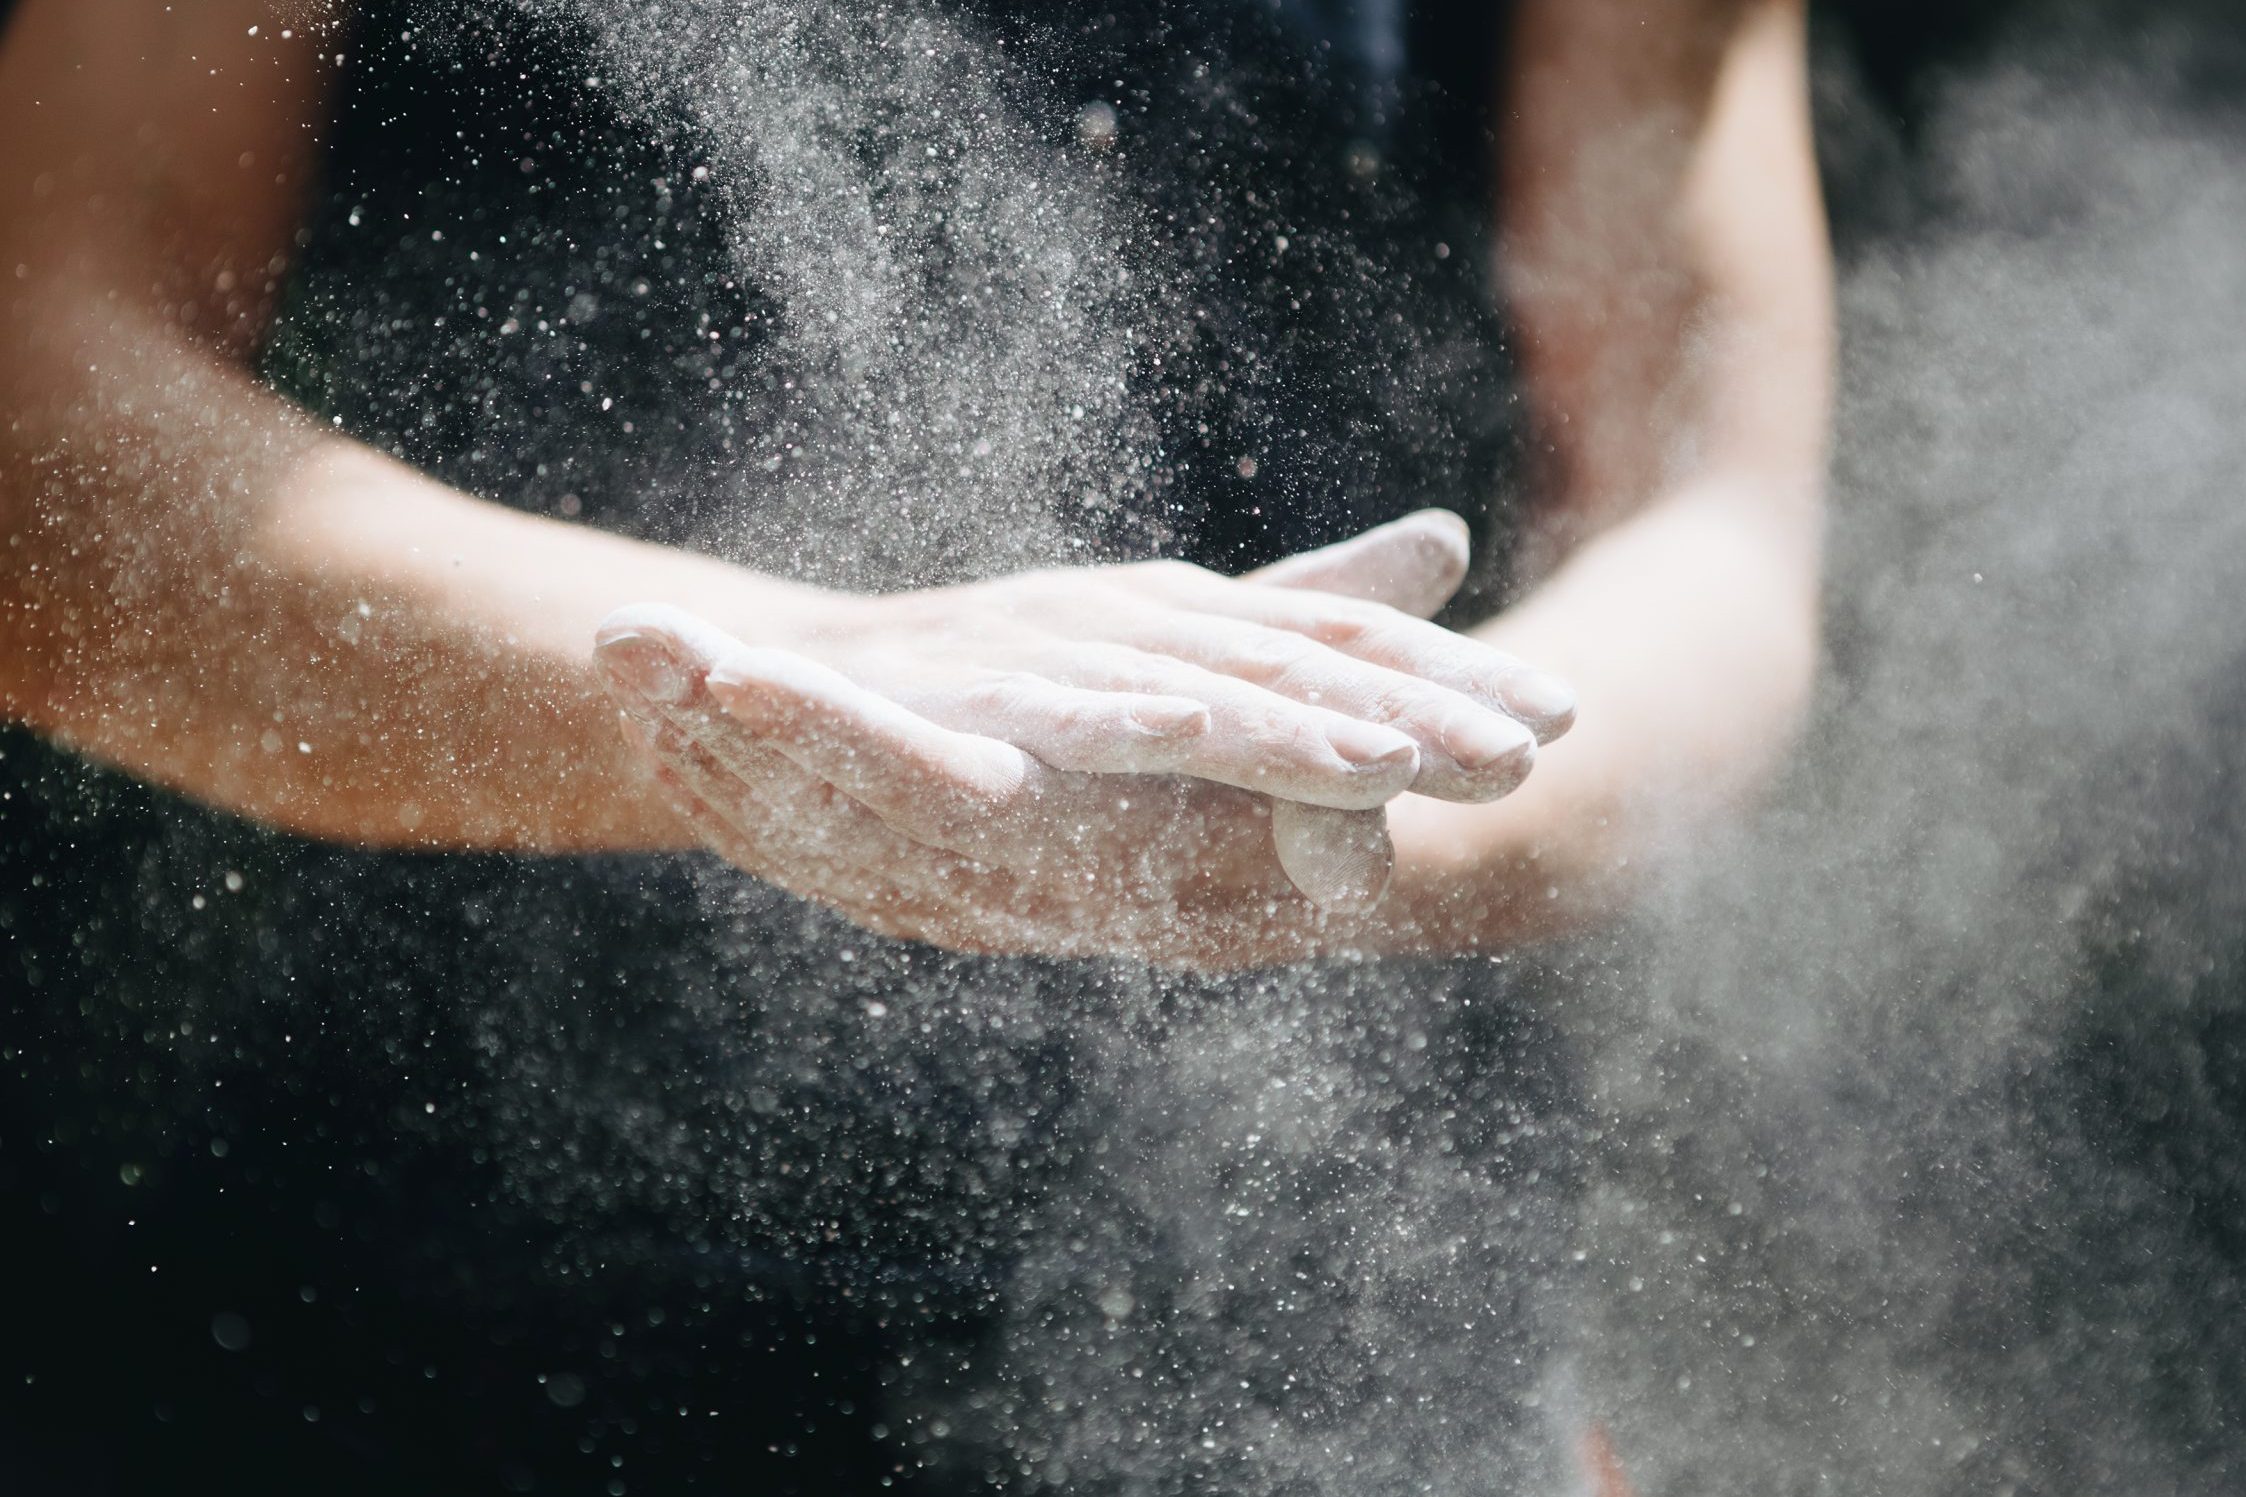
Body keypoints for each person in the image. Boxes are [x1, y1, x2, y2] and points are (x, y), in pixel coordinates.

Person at [0, 0, 1829, 1491]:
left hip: (1342, 1318)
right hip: (410, 1320)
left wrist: (1366, 810)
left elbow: (1715, 525)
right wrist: (797, 689)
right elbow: (40, 437)